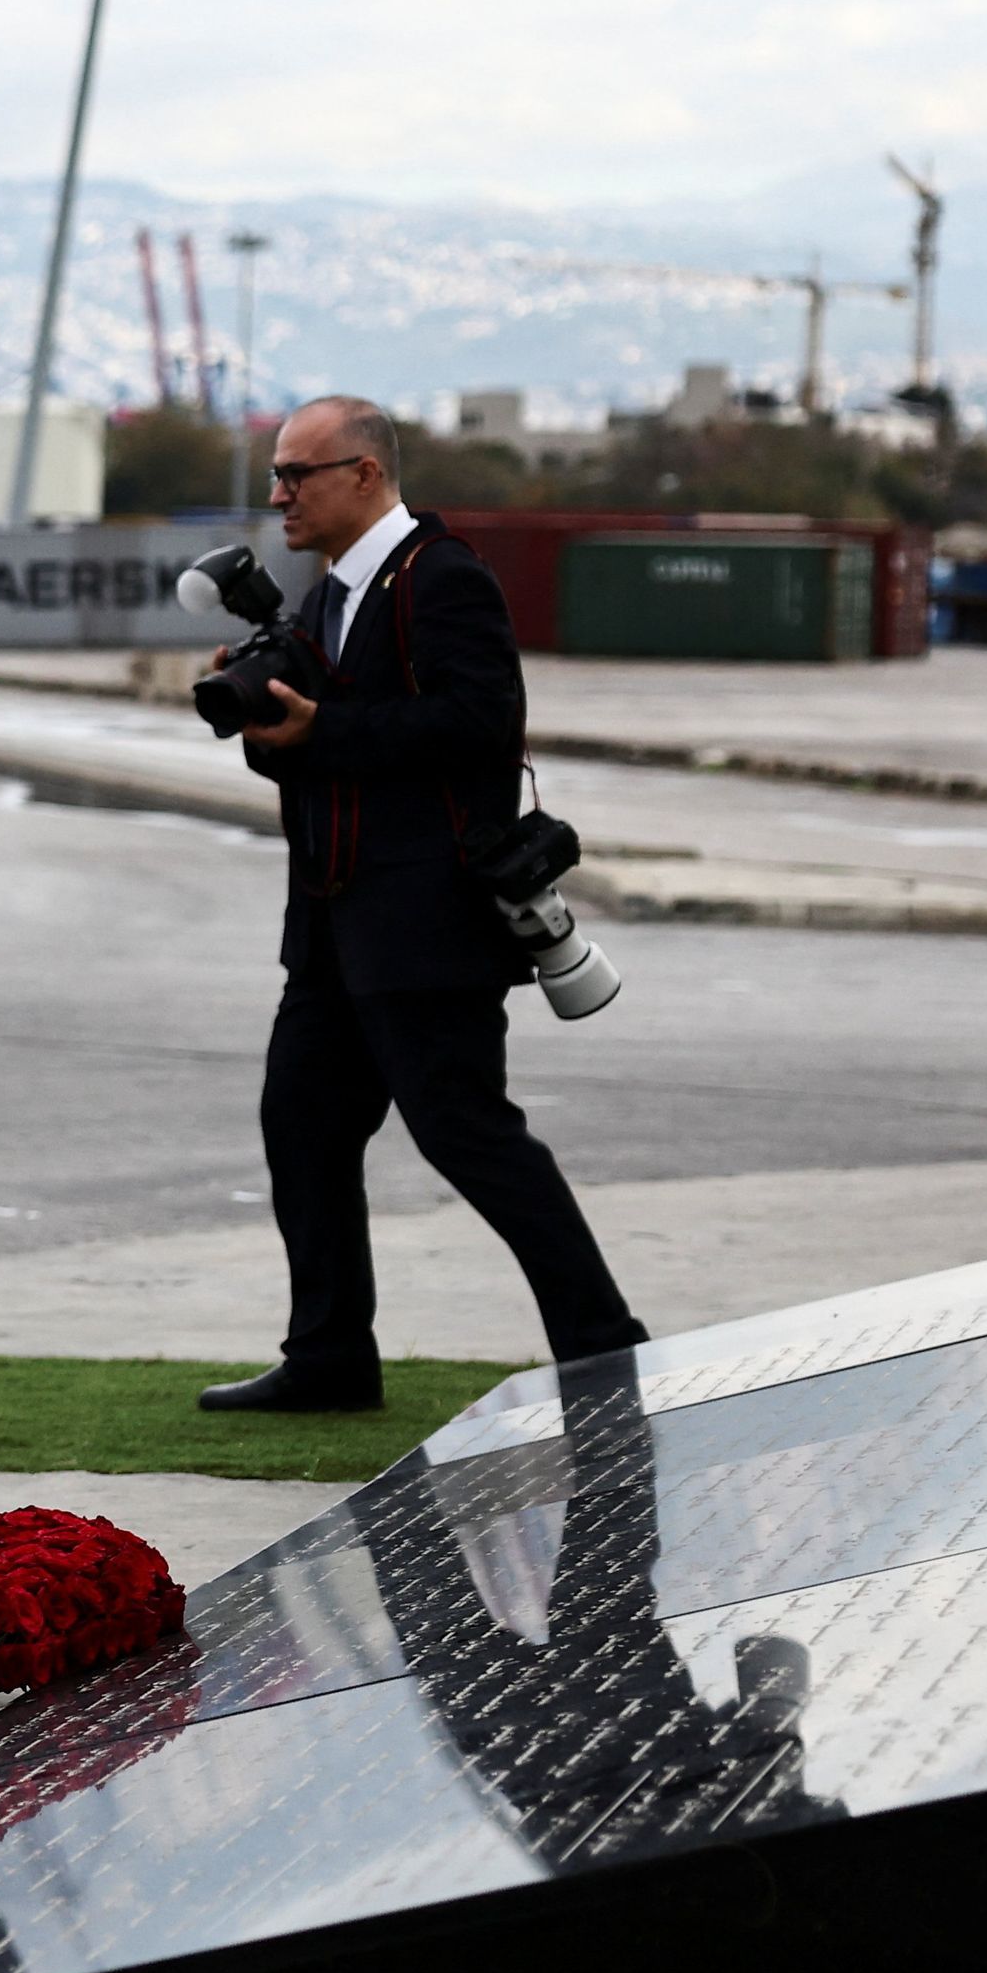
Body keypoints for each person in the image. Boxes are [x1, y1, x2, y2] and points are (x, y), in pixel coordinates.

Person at [205, 394, 644, 1413]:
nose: (279, 495)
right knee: (302, 1126)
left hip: (425, 925)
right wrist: (275, 733)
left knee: (467, 1134)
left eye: (297, 474)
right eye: (276, 475)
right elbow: (325, 761)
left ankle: (605, 1348)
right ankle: (329, 1357)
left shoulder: (441, 577)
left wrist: (323, 730)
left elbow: (478, 725)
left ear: (364, 473)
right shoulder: (323, 597)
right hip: (331, 924)